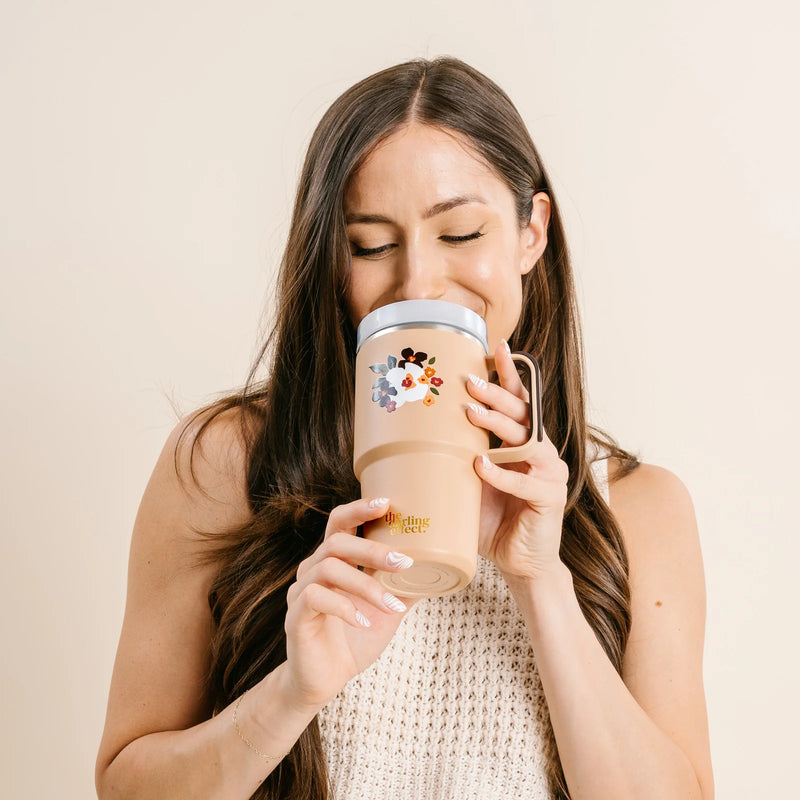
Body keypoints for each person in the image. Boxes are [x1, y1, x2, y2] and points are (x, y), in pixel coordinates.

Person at [95, 56, 713, 800]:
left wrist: (542, 581)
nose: (419, 282)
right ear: (333, 262)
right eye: (373, 246)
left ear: (531, 232)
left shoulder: (639, 509)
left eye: (460, 233)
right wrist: (294, 691)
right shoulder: (227, 462)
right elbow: (127, 788)